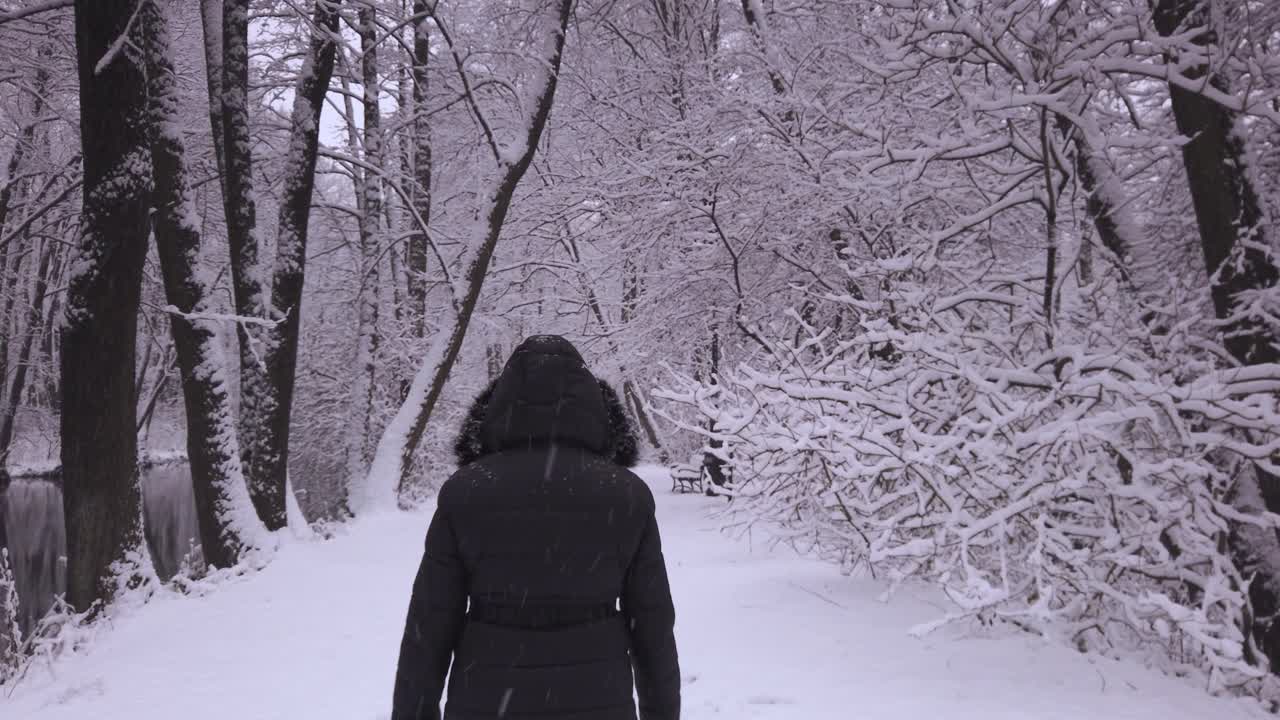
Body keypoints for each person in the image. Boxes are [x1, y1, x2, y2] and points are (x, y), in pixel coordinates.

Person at [391, 335, 681, 720]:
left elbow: (428, 625)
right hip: (598, 700)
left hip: (487, 700)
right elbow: (653, 627)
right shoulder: (626, 495)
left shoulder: (466, 493)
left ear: (498, 408)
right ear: (594, 408)